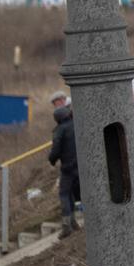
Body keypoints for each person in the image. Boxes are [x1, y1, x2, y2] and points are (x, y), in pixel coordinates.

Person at [47, 96, 81, 238]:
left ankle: (67, 225)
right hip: (81, 165)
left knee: (64, 194)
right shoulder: (77, 124)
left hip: (68, 168)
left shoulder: (60, 130)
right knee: (73, 194)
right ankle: (73, 222)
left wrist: (52, 160)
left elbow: (55, 151)